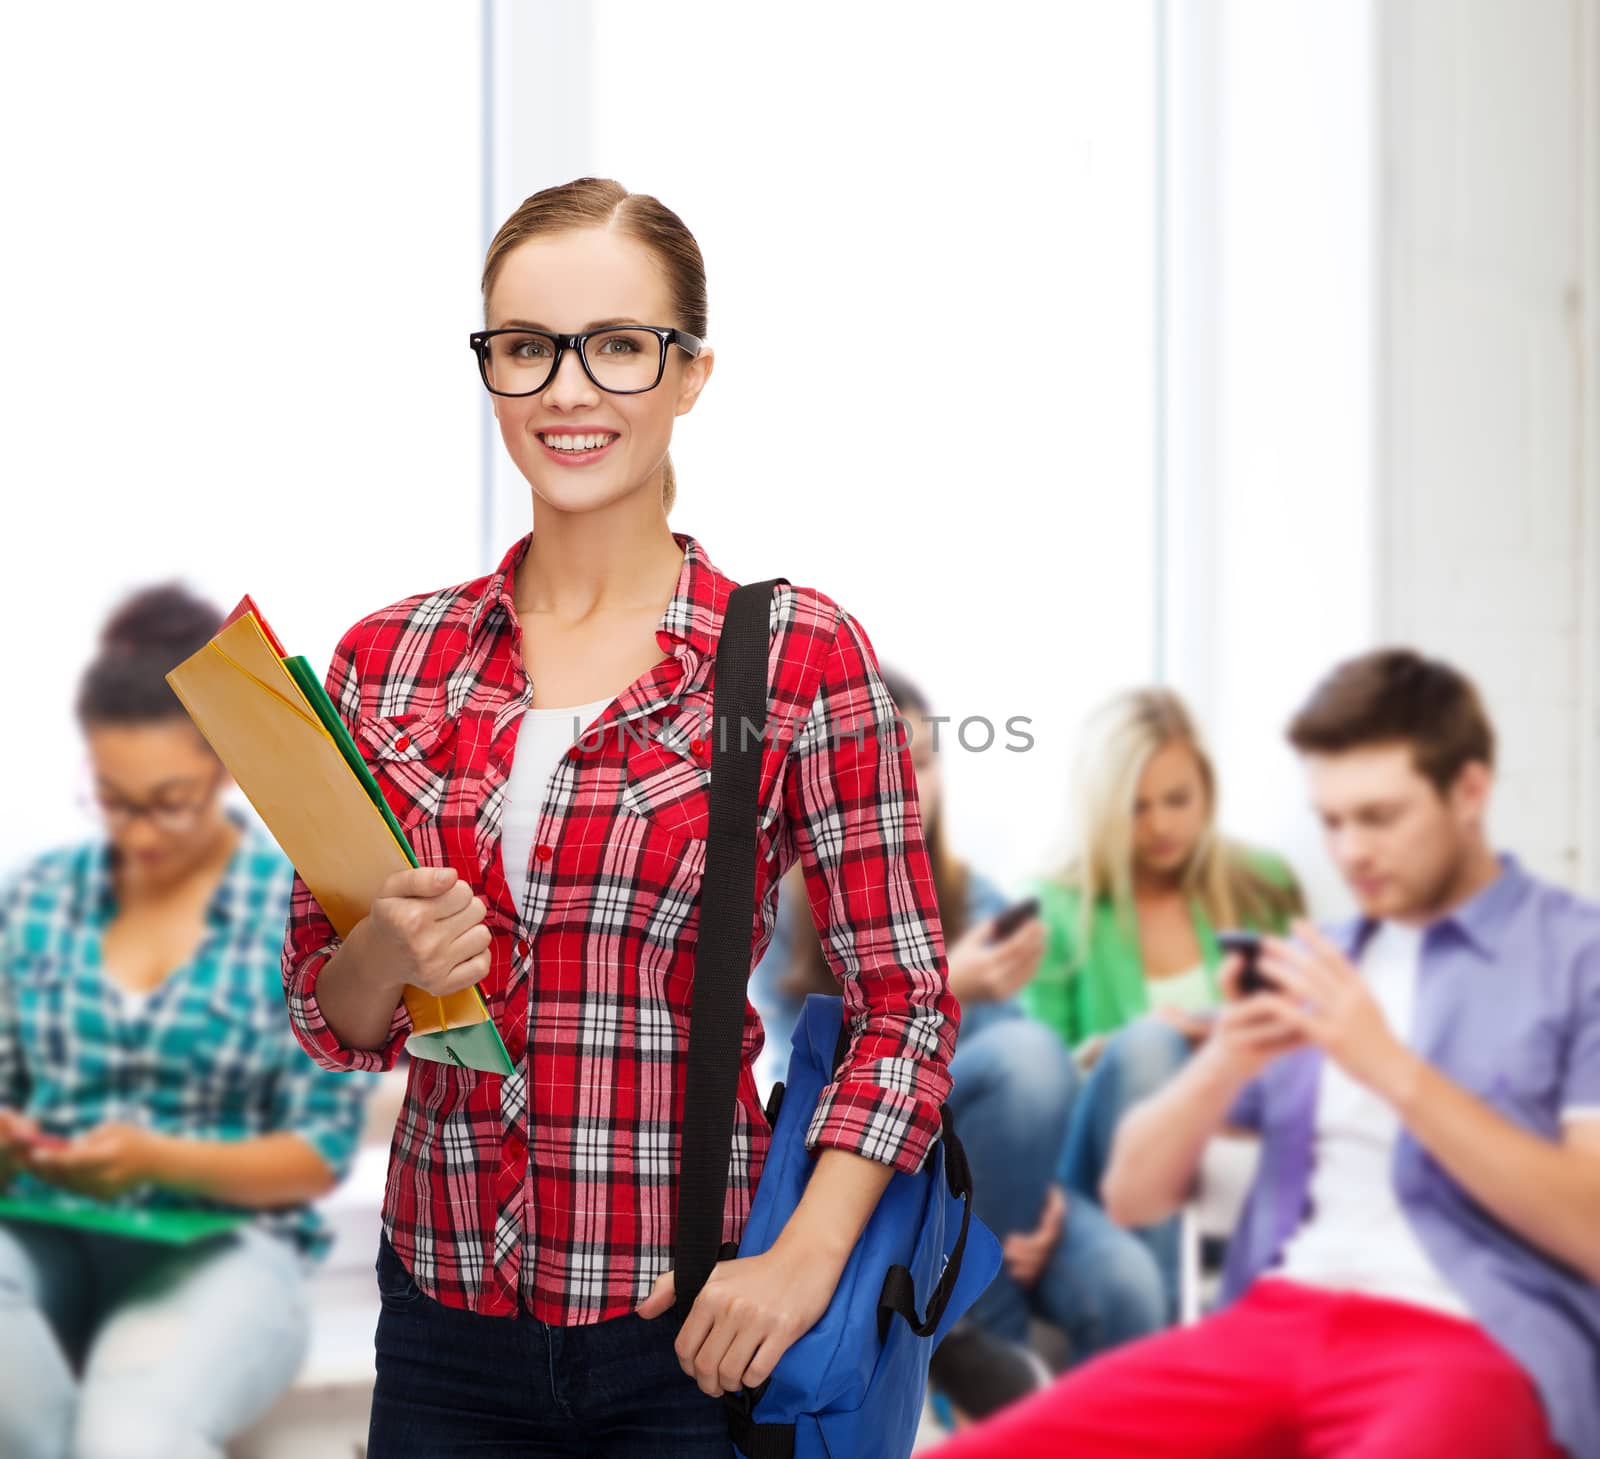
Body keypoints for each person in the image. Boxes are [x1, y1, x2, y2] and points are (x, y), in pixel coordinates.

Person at [279, 177, 960, 1458]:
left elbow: (903, 1005)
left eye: (619, 346)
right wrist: (387, 950)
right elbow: (330, 1009)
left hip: (688, 1330)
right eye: (526, 349)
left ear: (691, 372)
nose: (567, 391)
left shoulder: (794, 658)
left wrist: (802, 1261)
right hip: (439, 1318)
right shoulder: (391, 656)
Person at [926, 648, 1600, 1459]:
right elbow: (1135, 1194)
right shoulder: (1322, 955)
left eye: (1379, 817)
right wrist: (1223, 1063)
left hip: (1474, 1333)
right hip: (1276, 1322)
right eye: (1332, 820)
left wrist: (1388, 1065)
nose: (1351, 851)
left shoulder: (1574, 958)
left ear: (1469, 793)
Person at [0, 584, 376, 1459]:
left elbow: (313, 1155)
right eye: (112, 797)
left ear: (218, 764)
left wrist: (152, 1157)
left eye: (165, 799)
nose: (139, 832)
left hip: (223, 1253)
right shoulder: (39, 898)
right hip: (42, 1231)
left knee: (130, 1433)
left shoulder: (294, 903)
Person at [752, 667, 1165, 1419]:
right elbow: (793, 1077)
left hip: (996, 1178)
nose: (910, 778)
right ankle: (968, 1326)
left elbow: (1024, 1080)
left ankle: (972, 1324)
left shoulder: (981, 901)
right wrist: (950, 987)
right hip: (884, 1172)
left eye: (924, 759)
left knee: (1129, 1280)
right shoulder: (783, 909)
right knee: (1027, 1060)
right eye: (890, 757)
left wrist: (1041, 1190)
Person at [1021, 686, 1302, 1310]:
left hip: (1236, 1126)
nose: (1161, 826)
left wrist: (1229, 1036)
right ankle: (1174, 1333)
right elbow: (1040, 1082)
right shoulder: (1055, 908)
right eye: (1136, 807)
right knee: (1151, 1047)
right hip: (1108, 1154)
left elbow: (1308, 1029)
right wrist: (1121, 1047)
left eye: (1178, 800)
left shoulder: (1261, 887)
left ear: (1207, 789)